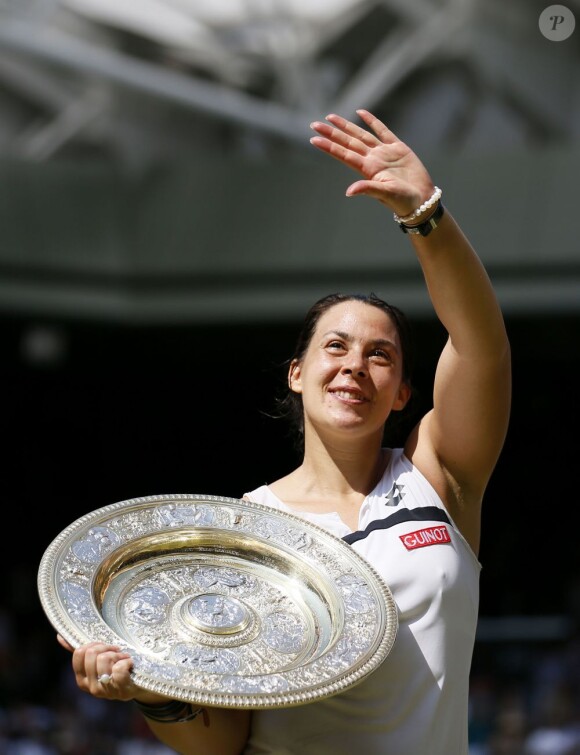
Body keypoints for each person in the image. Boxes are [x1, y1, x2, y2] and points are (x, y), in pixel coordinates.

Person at [56, 109, 512, 754]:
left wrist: (424, 213)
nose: (356, 364)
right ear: (298, 374)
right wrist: (150, 692)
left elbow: (482, 346)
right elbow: (228, 739)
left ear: (406, 392)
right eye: (337, 347)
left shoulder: (440, 477)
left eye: (380, 355)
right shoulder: (245, 527)